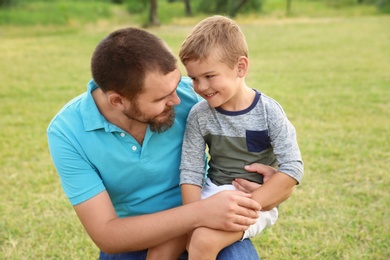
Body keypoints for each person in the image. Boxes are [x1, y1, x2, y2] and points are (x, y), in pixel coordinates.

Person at [46, 26, 281, 260]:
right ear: (118, 101)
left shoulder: (196, 96)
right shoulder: (67, 131)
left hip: (207, 228)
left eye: (177, 84)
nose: (177, 99)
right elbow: (107, 234)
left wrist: (273, 183)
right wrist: (200, 213)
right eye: (161, 98)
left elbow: (262, 137)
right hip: (137, 237)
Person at [177, 15, 304, 259]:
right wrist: (194, 214)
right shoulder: (199, 115)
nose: (201, 87)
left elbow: (292, 167)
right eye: (194, 78)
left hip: (253, 200)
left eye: (210, 76)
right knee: (170, 240)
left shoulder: (268, 112)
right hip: (210, 193)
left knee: (203, 240)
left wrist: (250, 203)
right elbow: (191, 170)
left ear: (240, 67)